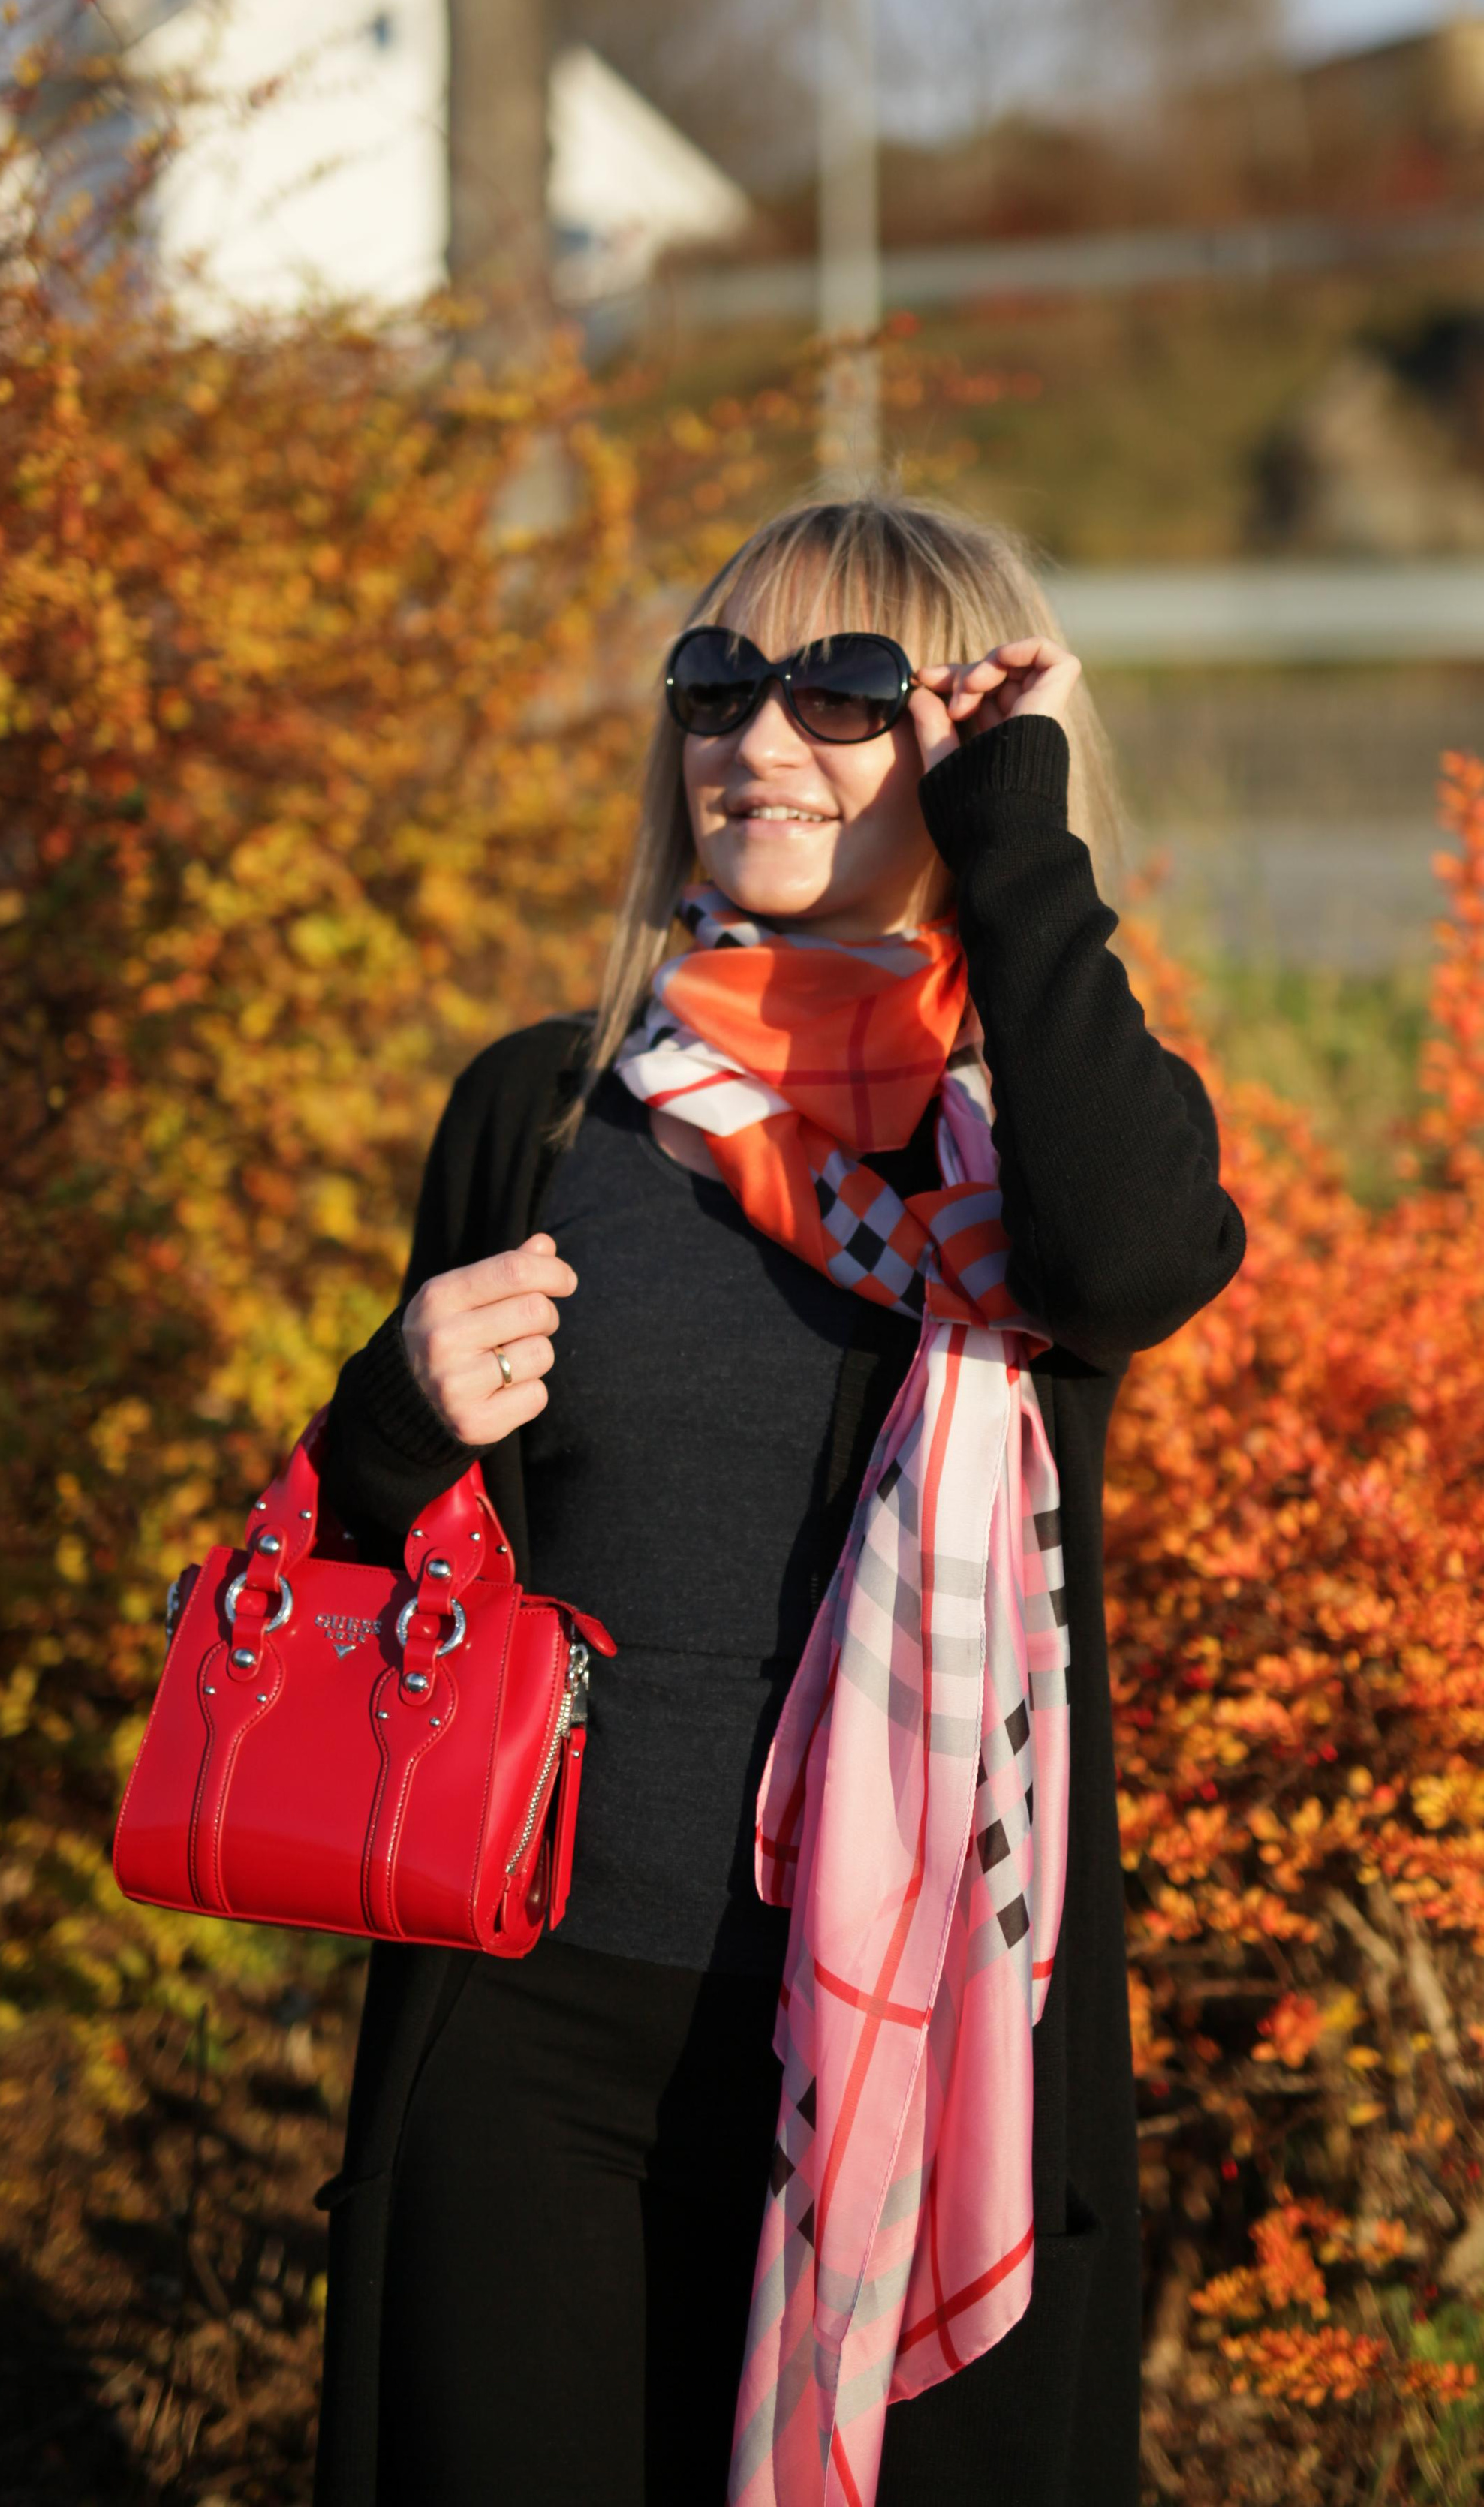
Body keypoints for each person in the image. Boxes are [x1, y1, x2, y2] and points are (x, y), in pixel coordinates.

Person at [311, 496, 1245, 2507]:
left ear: (968, 746)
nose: (760, 737)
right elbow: (374, 1563)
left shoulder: (1027, 1144)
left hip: (909, 2058)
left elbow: (1133, 1263)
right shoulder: (543, 1106)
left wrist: (1023, 830)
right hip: (529, 2028)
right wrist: (389, 1420)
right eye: (719, 685)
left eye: (845, 695)